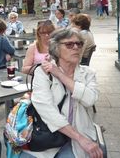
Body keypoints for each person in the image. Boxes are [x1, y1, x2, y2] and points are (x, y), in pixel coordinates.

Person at [21, 28, 103, 158]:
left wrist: (59, 74)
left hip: (78, 137)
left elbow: (90, 100)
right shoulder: (43, 72)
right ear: (56, 49)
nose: (76, 47)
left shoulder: (88, 73)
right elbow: (48, 111)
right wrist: (80, 138)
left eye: (79, 44)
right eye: (69, 44)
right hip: (46, 135)